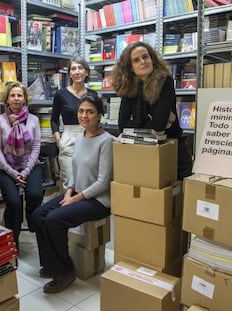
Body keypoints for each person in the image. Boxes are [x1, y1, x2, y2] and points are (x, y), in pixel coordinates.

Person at [32, 93, 114, 294]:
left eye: (90, 112)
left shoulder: (107, 141)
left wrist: (74, 198)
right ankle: (51, 265)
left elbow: (103, 183)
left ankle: (65, 271)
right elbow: (75, 174)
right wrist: (68, 193)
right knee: (37, 216)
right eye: (81, 111)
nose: (84, 115)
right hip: (77, 192)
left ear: (100, 115)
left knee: (53, 220)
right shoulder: (80, 136)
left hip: (98, 201)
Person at [111, 41, 193, 180]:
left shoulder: (165, 81)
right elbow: (122, 125)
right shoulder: (129, 86)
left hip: (172, 149)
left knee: (179, 196)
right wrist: (153, 121)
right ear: (130, 67)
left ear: (152, 59)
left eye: (145, 57)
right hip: (144, 151)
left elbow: (158, 125)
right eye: (136, 60)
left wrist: (140, 124)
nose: (143, 61)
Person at [0, 82, 44, 252]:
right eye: (12, 95)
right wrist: (14, 173)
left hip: (29, 166)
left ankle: (33, 225)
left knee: (35, 195)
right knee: (13, 203)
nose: (16, 99)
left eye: (19, 95)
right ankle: (12, 243)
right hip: (5, 168)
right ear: (7, 99)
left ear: (25, 98)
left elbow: (36, 148)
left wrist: (26, 171)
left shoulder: (34, 120)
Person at [50, 56, 97, 190]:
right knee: (70, 181)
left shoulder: (92, 95)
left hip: (89, 138)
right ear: (69, 73)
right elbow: (54, 119)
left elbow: (96, 119)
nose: (77, 72)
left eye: (80, 68)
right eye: (73, 69)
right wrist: (59, 139)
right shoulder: (61, 94)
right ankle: (67, 208)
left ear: (86, 72)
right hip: (69, 138)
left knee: (88, 181)